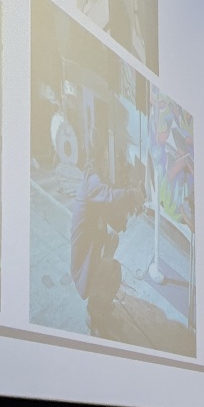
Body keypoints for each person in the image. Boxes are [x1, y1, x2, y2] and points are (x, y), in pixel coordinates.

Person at [69, 121, 145, 336]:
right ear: (100, 157)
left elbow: (117, 223)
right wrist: (131, 195)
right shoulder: (92, 180)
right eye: (107, 159)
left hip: (90, 254)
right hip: (83, 265)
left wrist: (128, 206)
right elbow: (107, 196)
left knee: (113, 238)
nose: (110, 164)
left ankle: (97, 302)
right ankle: (96, 314)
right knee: (114, 271)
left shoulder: (95, 179)